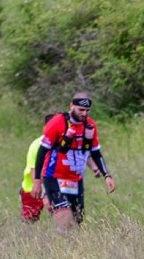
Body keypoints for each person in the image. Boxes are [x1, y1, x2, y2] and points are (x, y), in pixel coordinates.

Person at [30, 93, 115, 233]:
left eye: (87, 110)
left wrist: (107, 175)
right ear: (71, 106)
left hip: (76, 179)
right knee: (64, 218)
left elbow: (95, 153)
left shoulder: (90, 126)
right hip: (54, 177)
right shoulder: (57, 122)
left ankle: (73, 252)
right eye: (80, 110)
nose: (84, 113)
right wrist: (37, 181)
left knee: (77, 222)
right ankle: (60, 251)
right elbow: (41, 152)